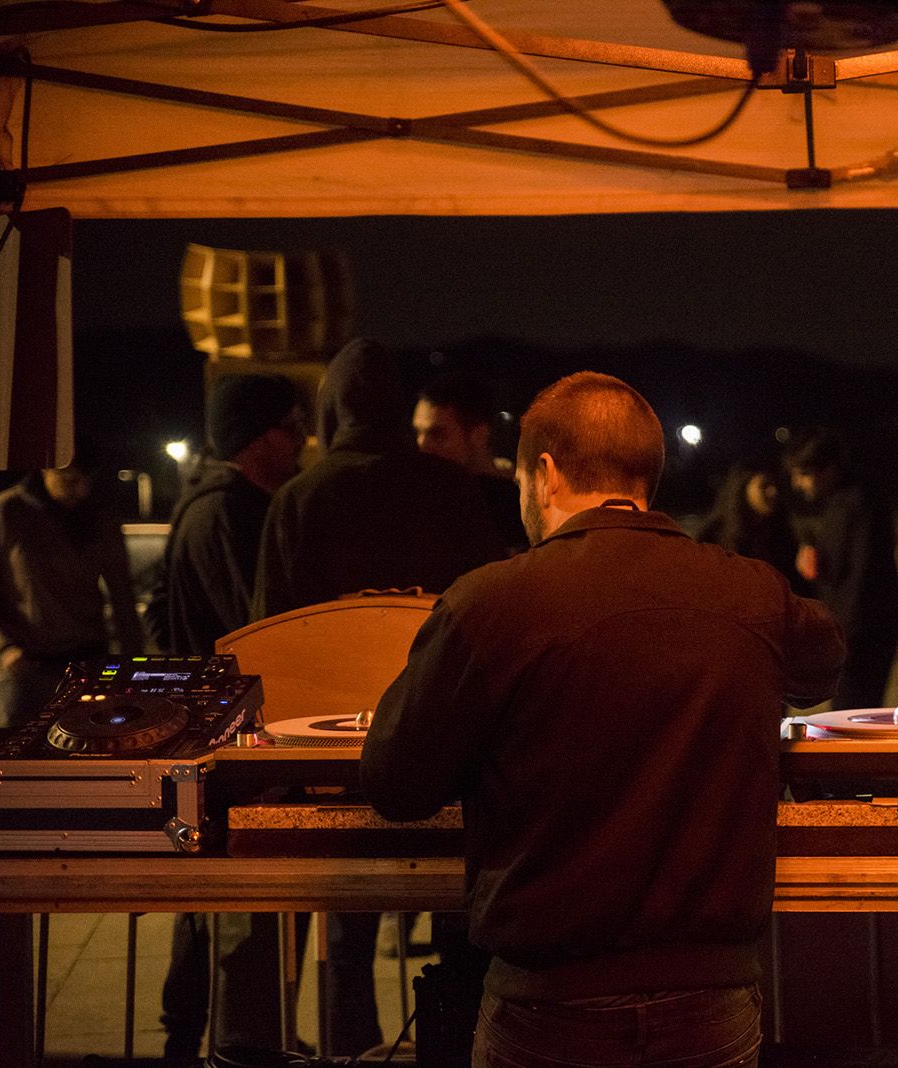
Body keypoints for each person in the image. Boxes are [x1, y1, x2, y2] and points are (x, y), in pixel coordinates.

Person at [361, 371, 844, 1068]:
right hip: (711, 999)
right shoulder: (752, 594)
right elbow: (821, 662)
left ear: (545, 474)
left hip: (547, 1003)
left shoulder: (491, 604)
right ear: (647, 473)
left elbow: (394, 780)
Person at [255, 337, 502, 1058]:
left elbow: (269, 635)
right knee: (458, 927)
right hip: (446, 746)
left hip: (335, 757)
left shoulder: (299, 500)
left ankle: (349, 1051)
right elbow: (490, 616)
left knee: (346, 935)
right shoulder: (450, 490)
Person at [154, 372, 306, 1066]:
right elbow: (261, 628)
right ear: (254, 436)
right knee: (241, 898)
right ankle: (244, 1044)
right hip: (233, 743)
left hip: (205, 732)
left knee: (206, 895)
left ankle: (194, 1035)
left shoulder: (207, 506)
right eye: (289, 425)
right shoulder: (229, 513)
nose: (302, 437)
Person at [0, 457, 144, 729]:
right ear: (45, 469)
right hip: (28, 663)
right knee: (15, 751)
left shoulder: (97, 516)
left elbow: (122, 593)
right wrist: (4, 647)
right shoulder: (10, 510)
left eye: (87, 480)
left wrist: (132, 662)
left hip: (87, 658)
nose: (81, 489)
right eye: (70, 479)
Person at [783, 429, 898, 710]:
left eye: (803, 473)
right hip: (861, 628)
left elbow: (862, 576)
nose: (798, 483)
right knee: (854, 714)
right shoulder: (841, 502)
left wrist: (838, 636)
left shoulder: (858, 502)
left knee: (850, 717)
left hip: (864, 632)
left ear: (829, 469)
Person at [414, 370, 527, 558]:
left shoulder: (519, 508)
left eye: (438, 434)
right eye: (418, 433)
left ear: (479, 434)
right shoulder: (422, 500)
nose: (423, 446)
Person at [696, 461, 809, 594]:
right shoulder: (713, 536)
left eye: (774, 484)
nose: (773, 491)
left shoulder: (782, 532)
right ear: (743, 489)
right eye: (764, 485)